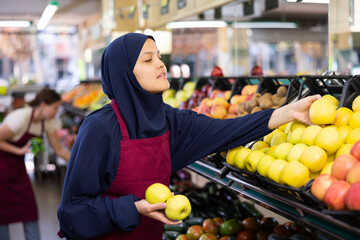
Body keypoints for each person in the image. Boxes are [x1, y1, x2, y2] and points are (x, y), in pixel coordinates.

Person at [57, 33, 321, 239]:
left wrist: (288, 112)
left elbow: (229, 131)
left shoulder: (170, 121)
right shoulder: (99, 129)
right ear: (124, 74)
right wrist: (134, 208)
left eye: (159, 56)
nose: (161, 64)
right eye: (148, 60)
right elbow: (72, 212)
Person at [0, 87, 70, 240]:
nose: (57, 111)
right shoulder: (20, 118)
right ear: (44, 105)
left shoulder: (48, 122)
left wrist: (79, 164)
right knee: (2, 214)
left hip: (18, 169)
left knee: (29, 210)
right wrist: (19, 152)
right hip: (2, 169)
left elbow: (59, 150)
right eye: (55, 107)